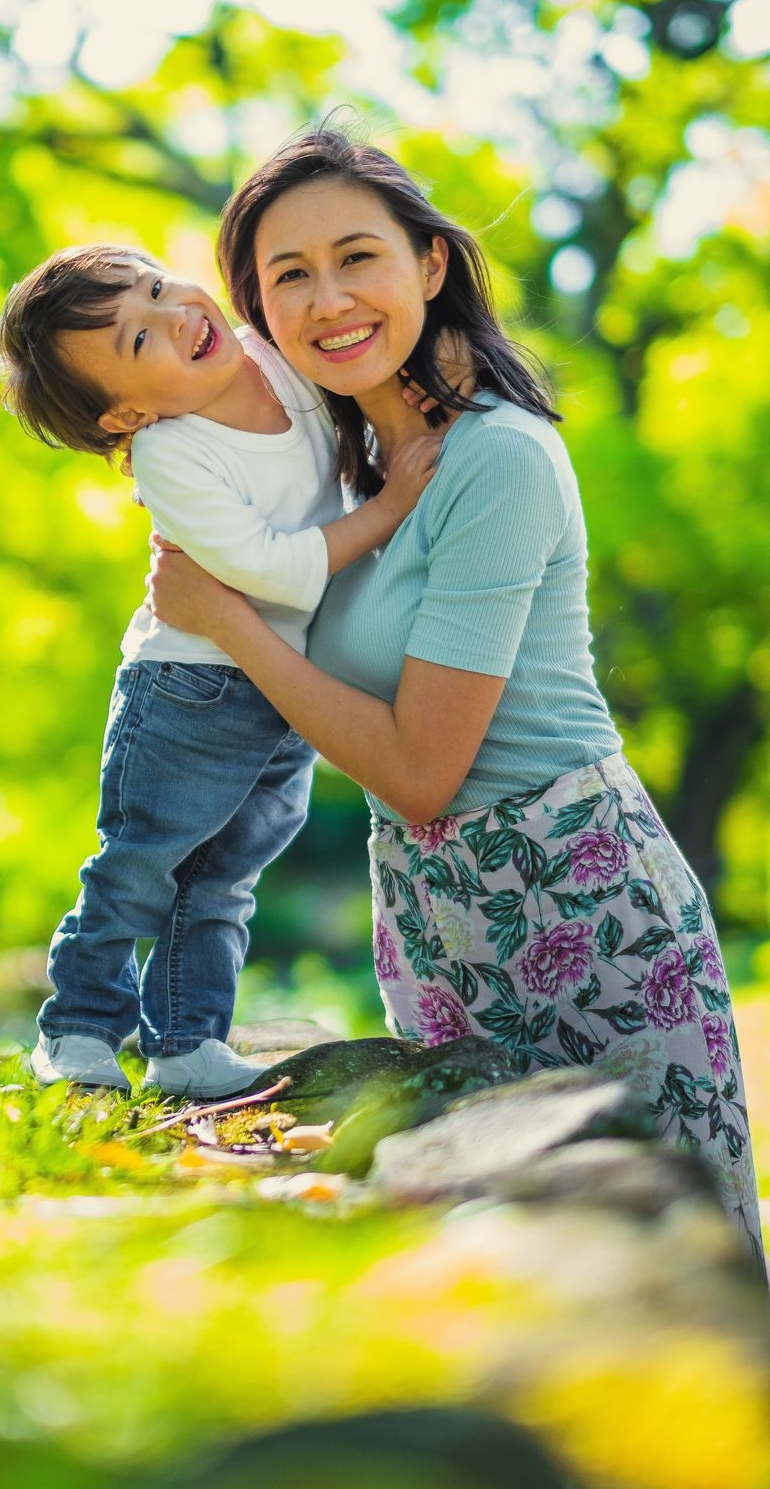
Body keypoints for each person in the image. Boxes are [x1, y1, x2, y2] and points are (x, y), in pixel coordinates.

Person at [146, 126, 764, 1267]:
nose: (329, 299)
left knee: (661, 1279)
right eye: (289, 275)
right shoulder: (353, 484)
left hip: (581, 907)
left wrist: (229, 622)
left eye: (357, 257)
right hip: (437, 915)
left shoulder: (498, 459)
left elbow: (424, 771)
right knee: (484, 1274)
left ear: (430, 264)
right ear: (258, 312)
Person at [0, 244, 444, 1099]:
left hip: (284, 682)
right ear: (127, 414)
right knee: (142, 864)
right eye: (137, 339)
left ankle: (186, 1042)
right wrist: (391, 510)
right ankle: (77, 1028)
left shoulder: (277, 360)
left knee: (226, 875)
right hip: (189, 691)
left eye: (157, 287)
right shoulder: (174, 453)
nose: (175, 316)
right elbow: (269, 570)